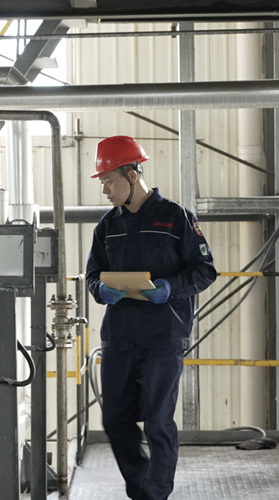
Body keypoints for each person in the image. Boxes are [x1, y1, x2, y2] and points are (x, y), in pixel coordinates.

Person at [85, 135, 217, 500]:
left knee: (158, 421)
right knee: (115, 420)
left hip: (163, 337)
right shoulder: (107, 226)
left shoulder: (176, 218)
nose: (105, 190)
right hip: (119, 338)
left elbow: (205, 270)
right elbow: (92, 275)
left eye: (109, 180)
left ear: (132, 174)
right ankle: (140, 488)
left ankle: (155, 493)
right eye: (103, 181)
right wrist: (100, 289)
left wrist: (170, 288)